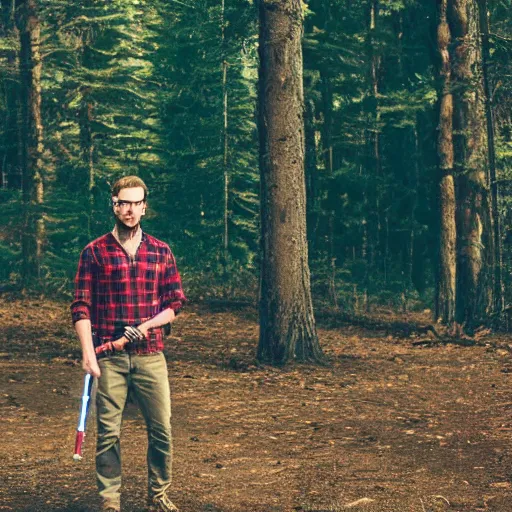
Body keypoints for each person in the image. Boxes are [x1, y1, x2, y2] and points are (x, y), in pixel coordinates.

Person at [71, 176, 186, 512]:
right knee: (108, 434)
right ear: (114, 204)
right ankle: (110, 500)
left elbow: (175, 303)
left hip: (151, 356)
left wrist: (146, 326)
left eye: (136, 203)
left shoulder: (160, 251)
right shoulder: (94, 252)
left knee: (162, 430)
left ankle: (159, 495)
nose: (130, 209)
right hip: (110, 358)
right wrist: (89, 354)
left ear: (144, 207)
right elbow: (81, 306)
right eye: (124, 202)